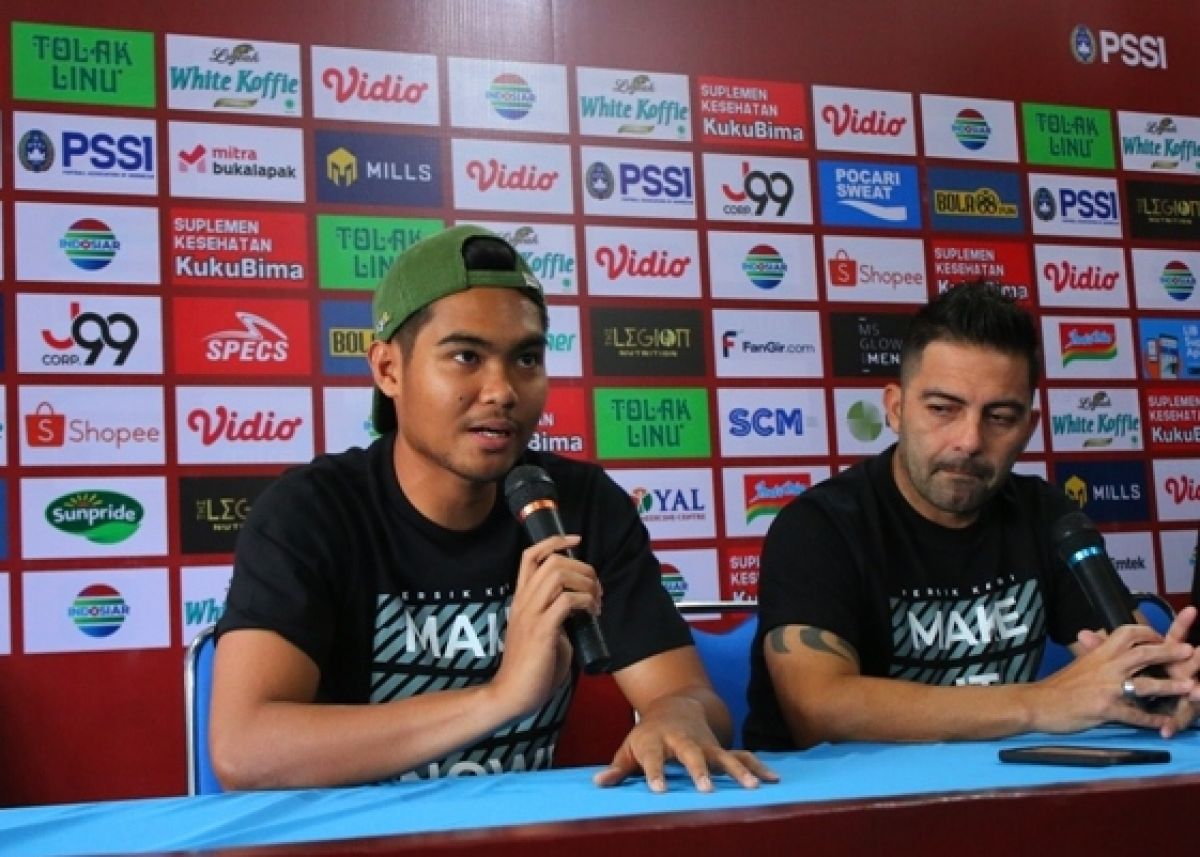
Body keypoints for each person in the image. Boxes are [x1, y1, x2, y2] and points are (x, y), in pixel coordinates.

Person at [210, 224, 774, 792]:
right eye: (465, 356)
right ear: (388, 370)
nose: (503, 390)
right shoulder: (313, 512)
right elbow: (245, 749)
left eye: (526, 359)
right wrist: (500, 698)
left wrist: (677, 717)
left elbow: (689, 695)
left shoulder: (580, 504)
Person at [744, 281, 1200, 750]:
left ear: (1028, 428)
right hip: (838, 807)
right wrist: (1041, 702)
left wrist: (1166, 686)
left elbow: (1123, 664)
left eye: (999, 417)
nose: (969, 441)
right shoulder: (820, 526)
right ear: (896, 410)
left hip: (996, 796)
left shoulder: (1049, 518)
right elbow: (817, 709)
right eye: (943, 409)